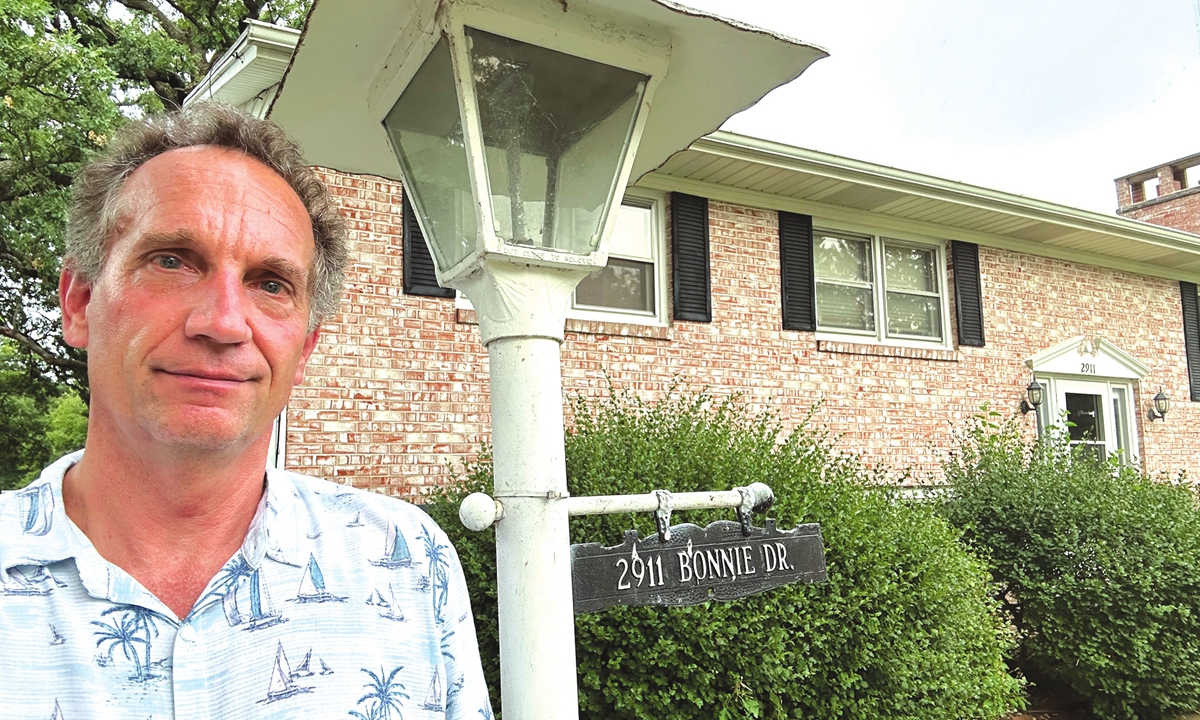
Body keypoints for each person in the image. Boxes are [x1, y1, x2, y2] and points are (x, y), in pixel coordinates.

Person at [0, 103, 493, 719]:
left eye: (270, 283)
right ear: (79, 303)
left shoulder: (411, 561)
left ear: (304, 348)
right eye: (173, 260)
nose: (225, 323)